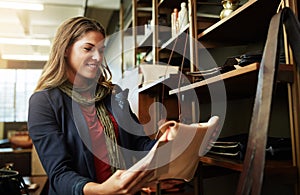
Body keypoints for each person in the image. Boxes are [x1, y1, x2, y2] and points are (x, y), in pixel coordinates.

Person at [27, 16, 160, 195]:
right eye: (88, 49)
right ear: (65, 50)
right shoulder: (43, 102)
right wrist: (102, 190)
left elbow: (138, 143)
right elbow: (59, 174)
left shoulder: (114, 94)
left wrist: (165, 142)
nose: (97, 57)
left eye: (101, 50)